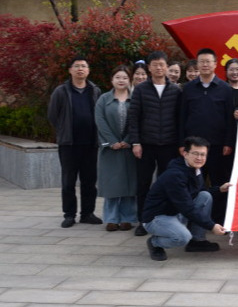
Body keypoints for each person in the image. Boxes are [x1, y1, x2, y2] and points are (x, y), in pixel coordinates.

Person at [142, 136, 229, 261]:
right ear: (185, 153)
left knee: (205, 196)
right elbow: (187, 207)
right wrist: (212, 226)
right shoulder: (175, 175)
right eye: (195, 154)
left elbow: (197, 193)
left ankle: (197, 241)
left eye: (203, 154)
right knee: (182, 237)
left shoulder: (195, 169)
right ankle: (155, 243)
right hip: (157, 217)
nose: (199, 158)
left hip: (176, 212)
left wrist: (219, 189)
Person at [128, 51, 182, 237]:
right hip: (146, 144)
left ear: (167, 67)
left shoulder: (175, 90)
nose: (159, 68)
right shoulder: (141, 90)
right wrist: (135, 142)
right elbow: (133, 118)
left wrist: (180, 144)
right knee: (143, 184)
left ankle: (164, 219)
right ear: (149, 68)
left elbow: (179, 119)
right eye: (155, 64)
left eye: (162, 64)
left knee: (166, 183)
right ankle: (144, 221)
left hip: (169, 145)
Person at [179, 48, 235, 224]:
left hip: (218, 146)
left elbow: (229, 119)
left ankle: (218, 219)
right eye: (201, 61)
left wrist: (228, 143)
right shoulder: (188, 88)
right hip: (193, 147)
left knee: (219, 183)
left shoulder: (225, 89)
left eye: (208, 61)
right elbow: (181, 117)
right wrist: (182, 143)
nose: (204, 65)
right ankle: (195, 219)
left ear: (215, 64)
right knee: (194, 183)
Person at [47, 56, 103, 228]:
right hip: (69, 144)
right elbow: (53, 115)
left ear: (88, 70)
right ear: (70, 70)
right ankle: (69, 215)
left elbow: (100, 114)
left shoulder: (95, 90)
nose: (80, 69)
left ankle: (87, 213)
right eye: (77, 66)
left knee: (89, 181)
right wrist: (63, 130)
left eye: (84, 66)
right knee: (68, 181)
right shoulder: (61, 91)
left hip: (90, 144)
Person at [95, 65, 137, 232]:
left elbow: (138, 121)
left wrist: (127, 140)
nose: (121, 80)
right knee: (111, 184)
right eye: (118, 77)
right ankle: (111, 218)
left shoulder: (135, 98)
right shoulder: (103, 99)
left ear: (130, 80)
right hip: (109, 149)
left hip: (129, 148)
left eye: (125, 78)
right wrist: (112, 141)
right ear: (112, 80)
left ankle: (128, 218)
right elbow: (100, 121)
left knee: (129, 184)